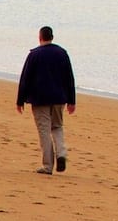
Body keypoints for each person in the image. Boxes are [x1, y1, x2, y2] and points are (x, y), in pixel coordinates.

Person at [17, 26, 76, 174]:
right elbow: (69, 78)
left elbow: (25, 78)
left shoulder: (34, 55)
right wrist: (71, 100)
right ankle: (61, 152)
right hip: (59, 97)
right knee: (57, 126)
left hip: (39, 98)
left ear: (40, 37)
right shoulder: (62, 53)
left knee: (44, 129)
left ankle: (48, 165)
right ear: (52, 37)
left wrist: (20, 100)